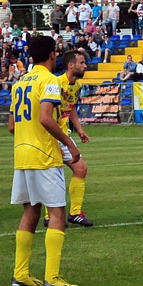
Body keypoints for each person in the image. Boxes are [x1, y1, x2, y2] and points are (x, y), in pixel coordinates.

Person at [8, 35, 81, 286]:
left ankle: (21, 274)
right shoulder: (49, 80)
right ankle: (52, 278)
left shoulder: (20, 82)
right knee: (58, 213)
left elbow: (11, 126)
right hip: (44, 155)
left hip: (21, 154)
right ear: (52, 54)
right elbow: (46, 119)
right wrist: (69, 144)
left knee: (30, 211)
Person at [43, 50, 93, 229]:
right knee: (55, 174)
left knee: (80, 168)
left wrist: (79, 130)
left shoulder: (76, 86)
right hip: (51, 136)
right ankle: (52, 215)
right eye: (81, 62)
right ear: (71, 65)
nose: (85, 66)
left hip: (63, 134)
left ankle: (74, 213)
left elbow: (70, 106)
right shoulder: (56, 83)